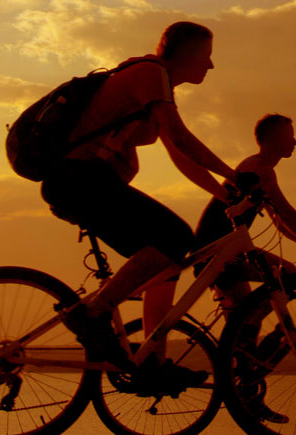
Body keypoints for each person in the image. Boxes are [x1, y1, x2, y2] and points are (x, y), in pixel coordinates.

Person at [40, 21, 235, 377]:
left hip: (87, 181)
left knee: (166, 258)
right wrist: (233, 175)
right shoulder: (150, 73)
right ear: (188, 54)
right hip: (78, 178)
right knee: (175, 237)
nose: (211, 65)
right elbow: (180, 138)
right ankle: (91, 314)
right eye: (207, 56)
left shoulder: (157, 87)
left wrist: (225, 192)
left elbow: (179, 155)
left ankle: (150, 363)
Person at [194, 114, 296, 310]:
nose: (295, 142)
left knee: (248, 314)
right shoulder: (259, 169)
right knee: (286, 275)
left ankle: (259, 331)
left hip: (229, 250)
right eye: (290, 137)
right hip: (219, 254)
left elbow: (280, 223)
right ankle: (271, 331)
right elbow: (286, 213)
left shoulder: (259, 168)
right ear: (274, 140)